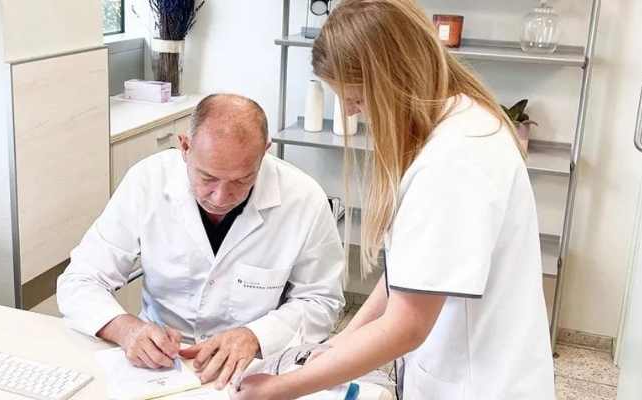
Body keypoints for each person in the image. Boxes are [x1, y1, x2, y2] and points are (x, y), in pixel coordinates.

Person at [232, 1, 555, 399]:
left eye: (357, 100)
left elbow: (407, 325)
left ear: (391, 78)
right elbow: (408, 278)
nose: (354, 113)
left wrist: (282, 388)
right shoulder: (457, 123)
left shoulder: (454, 159)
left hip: (478, 384)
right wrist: (333, 347)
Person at [57, 93, 345, 390]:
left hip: (257, 368)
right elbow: (79, 280)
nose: (221, 197)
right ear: (184, 147)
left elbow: (322, 301)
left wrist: (256, 336)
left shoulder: (304, 199)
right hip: (159, 365)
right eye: (207, 178)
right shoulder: (147, 181)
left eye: (241, 181)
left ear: (264, 153)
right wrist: (126, 330)